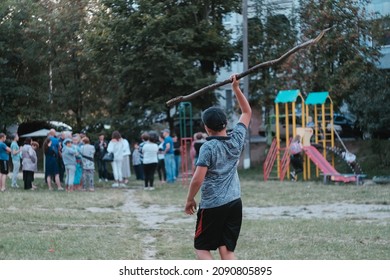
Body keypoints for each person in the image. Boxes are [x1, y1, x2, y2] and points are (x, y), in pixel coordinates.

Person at [184, 74, 252, 260]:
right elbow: (246, 113)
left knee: (201, 249)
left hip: (213, 205)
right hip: (234, 202)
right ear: (226, 123)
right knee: (226, 249)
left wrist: (190, 199)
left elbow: (198, 178)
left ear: (206, 128)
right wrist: (236, 89)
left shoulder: (208, 147)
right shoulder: (236, 138)